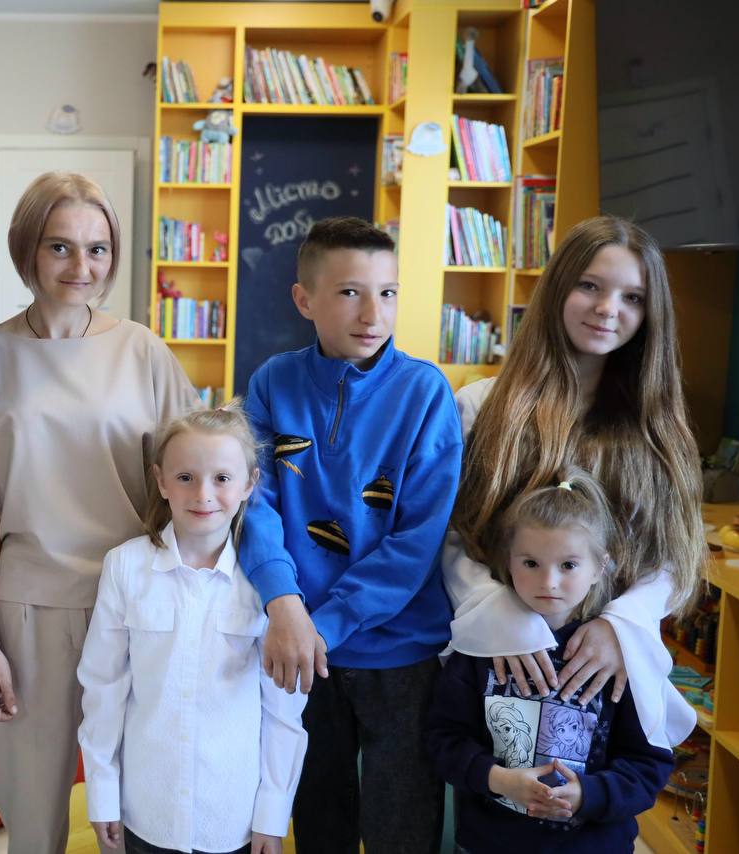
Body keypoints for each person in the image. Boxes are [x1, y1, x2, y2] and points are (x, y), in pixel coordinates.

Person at [0, 171, 201, 853]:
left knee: (139, 817)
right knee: (32, 820)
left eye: (97, 249)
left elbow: (195, 489)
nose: (80, 266)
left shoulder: (144, 351)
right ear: (27, 248)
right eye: (59, 246)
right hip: (27, 610)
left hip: (137, 605)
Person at [238, 216, 463, 852]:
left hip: (400, 653)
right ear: (304, 299)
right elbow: (256, 505)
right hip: (301, 650)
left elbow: (418, 539)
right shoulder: (272, 382)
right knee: (318, 821)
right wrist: (284, 605)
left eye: (387, 293)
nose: (373, 313)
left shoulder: (425, 392)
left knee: (401, 829)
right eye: (349, 292)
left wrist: (323, 626)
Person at [445, 216, 704, 751]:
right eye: (590, 285)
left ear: (650, 313)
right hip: (498, 663)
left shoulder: (658, 427)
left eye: (632, 297)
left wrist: (620, 626)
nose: (608, 308)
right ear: (558, 288)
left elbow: (674, 557)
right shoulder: (480, 406)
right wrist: (499, 616)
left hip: (605, 675)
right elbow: (450, 537)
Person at [77, 405, 307, 854]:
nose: (203, 494)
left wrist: (272, 815)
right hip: (147, 812)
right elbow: (103, 688)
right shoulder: (124, 567)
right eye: (185, 477)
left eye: (222, 478)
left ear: (249, 484)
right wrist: (102, 793)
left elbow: (283, 712)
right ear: (161, 481)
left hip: (231, 819)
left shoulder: (270, 587)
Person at [426, 470, 674, 853]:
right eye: (531, 563)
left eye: (568, 565)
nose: (549, 582)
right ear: (508, 562)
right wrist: (498, 780)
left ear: (600, 567)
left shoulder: (621, 659)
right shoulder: (476, 649)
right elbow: (443, 740)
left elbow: (649, 765)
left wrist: (588, 794)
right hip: (490, 843)